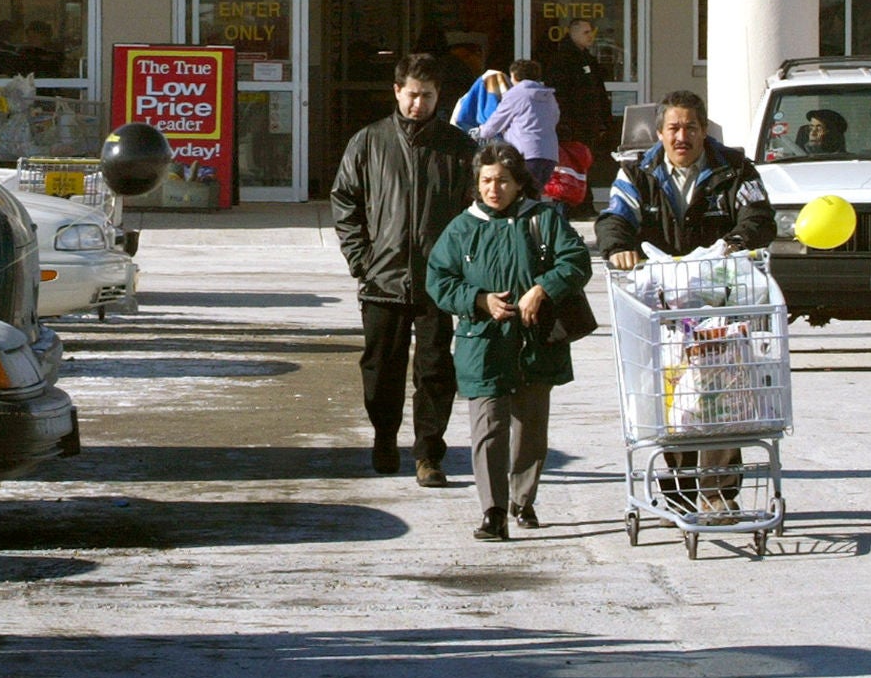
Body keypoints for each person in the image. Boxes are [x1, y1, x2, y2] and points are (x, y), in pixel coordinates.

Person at [595, 90, 774, 515]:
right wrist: (619, 246)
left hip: (722, 305)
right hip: (664, 308)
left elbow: (759, 217)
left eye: (690, 127)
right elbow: (615, 217)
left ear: (703, 130)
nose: (682, 136)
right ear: (659, 132)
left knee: (723, 396)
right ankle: (676, 489)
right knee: (674, 400)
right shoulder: (639, 172)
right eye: (673, 128)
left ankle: (716, 492)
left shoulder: (734, 169)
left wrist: (737, 241)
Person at [425, 141, 592, 541]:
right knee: (488, 428)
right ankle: (493, 510)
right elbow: (438, 279)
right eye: (486, 181)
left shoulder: (543, 220)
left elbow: (576, 261)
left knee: (530, 429)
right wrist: (478, 300)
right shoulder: (462, 228)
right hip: (482, 342)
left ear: (519, 183)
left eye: (502, 180)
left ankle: (523, 498)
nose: (493, 189)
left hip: (535, 341)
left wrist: (543, 288)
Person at [331, 52, 476, 487]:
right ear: (397, 91)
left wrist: (461, 268)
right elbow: (345, 201)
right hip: (382, 279)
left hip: (437, 281)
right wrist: (361, 260)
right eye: (412, 95)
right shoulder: (369, 142)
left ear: (439, 96)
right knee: (381, 368)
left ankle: (429, 454)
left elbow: (478, 211)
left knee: (434, 371)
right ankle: (384, 438)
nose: (418, 104)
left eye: (427, 96)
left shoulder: (459, 149)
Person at [546, 18, 615, 210]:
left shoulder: (587, 58)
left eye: (591, 32)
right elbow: (560, 94)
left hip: (589, 124)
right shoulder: (563, 59)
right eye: (585, 32)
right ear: (573, 33)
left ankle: (583, 203)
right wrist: (564, 124)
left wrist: (604, 122)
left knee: (585, 164)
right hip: (573, 125)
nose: (590, 36)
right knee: (571, 167)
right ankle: (571, 205)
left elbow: (598, 93)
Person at [475, 59, 561, 195]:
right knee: (533, 196)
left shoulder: (516, 93)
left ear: (514, 76)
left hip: (526, 153)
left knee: (520, 197)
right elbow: (555, 118)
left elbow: (496, 122)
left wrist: (482, 131)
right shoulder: (548, 95)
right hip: (549, 154)